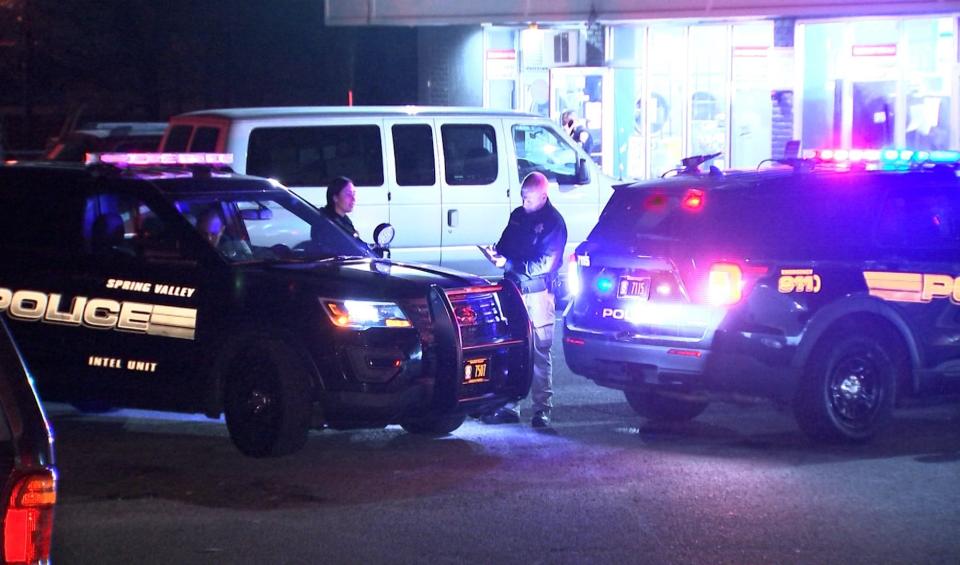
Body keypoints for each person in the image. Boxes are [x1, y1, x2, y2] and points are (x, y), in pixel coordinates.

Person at [481, 171, 567, 428]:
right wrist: (496, 254)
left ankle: (542, 409)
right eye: (522, 197)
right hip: (514, 289)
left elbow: (545, 263)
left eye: (528, 198)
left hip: (537, 291)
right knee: (513, 348)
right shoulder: (518, 216)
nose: (524, 202)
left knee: (540, 350)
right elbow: (505, 244)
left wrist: (508, 262)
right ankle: (510, 405)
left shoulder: (553, 222)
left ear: (543, 195)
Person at [322, 176, 362, 241]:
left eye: (353, 194)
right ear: (335, 198)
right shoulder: (328, 224)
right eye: (348, 194)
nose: (353, 199)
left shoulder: (345, 220)